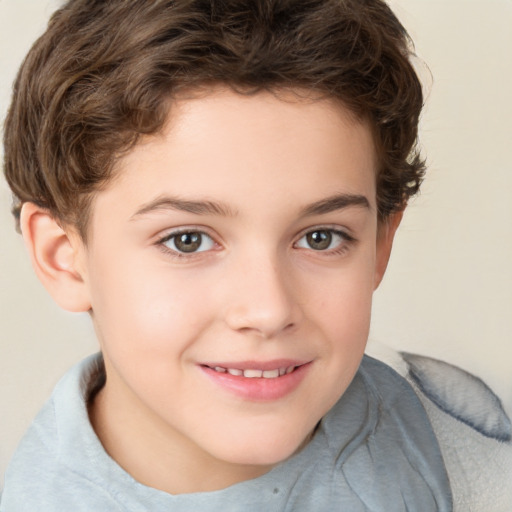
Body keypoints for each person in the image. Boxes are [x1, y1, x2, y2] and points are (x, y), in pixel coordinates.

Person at [1, 0, 510, 510]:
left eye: (320, 237)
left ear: (380, 243)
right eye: (188, 240)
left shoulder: (470, 449)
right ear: (64, 256)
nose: (269, 310)